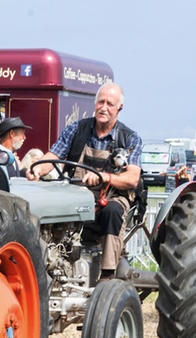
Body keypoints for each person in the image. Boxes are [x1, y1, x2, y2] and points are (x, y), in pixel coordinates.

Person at [28, 82, 143, 280]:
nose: (103, 107)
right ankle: (43, 266)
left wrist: (104, 177)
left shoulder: (130, 138)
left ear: (119, 109)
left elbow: (132, 178)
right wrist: (38, 167)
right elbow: (54, 155)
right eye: (100, 102)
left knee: (113, 211)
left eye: (110, 104)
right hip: (75, 194)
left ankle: (107, 274)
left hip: (110, 197)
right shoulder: (77, 129)